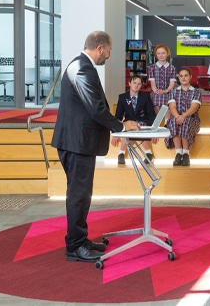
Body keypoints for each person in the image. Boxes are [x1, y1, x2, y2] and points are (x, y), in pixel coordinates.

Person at [51, 31, 139, 262]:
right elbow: (95, 108)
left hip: (79, 142)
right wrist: (121, 126)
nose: (109, 56)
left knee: (81, 194)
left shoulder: (82, 66)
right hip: (76, 143)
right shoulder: (82, 68)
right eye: (109, 51)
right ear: (99, 48)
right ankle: (75, 247)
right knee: (78, 196)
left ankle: (80, 238)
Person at [111, 75, 156, 165]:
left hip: (142, 122)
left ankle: (123, 153)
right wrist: (115, 132)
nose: (136, 85)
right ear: (129, 83)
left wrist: (154, 131)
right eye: (134, 83)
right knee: (129, 126)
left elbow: (151, 114)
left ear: (141, 86)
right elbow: (118, 116)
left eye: (139, 84)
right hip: (128, 122)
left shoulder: (145, 96)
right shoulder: (123, 97)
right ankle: (146, 153)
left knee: (135, 126)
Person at [166, 66, 202, 166]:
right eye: (181, 76)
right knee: (173, 121)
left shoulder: (196, 92)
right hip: (177, 117)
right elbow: (172, 107)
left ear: (190, 77)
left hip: (192, 119)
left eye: (186, 76)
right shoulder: (173, 91)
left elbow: (194, 107)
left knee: (185, 122)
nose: (183, 78)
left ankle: (186, 154)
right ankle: (178, 153)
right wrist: (178, 116)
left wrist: (183, 116)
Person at [147, 44, 177, 117]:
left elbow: (172, 84)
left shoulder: (172, 68)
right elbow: (153, 84)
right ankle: (158, 123)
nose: (161, 55)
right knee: (156, 98)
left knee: (168, 100)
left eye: (163, 53)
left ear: (167, 54)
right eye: (158, 53)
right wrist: (156, 91)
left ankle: (167, 123)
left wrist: (166, 91)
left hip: (168, 91)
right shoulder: (151, 68)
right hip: (156, 92)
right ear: (156, 55)